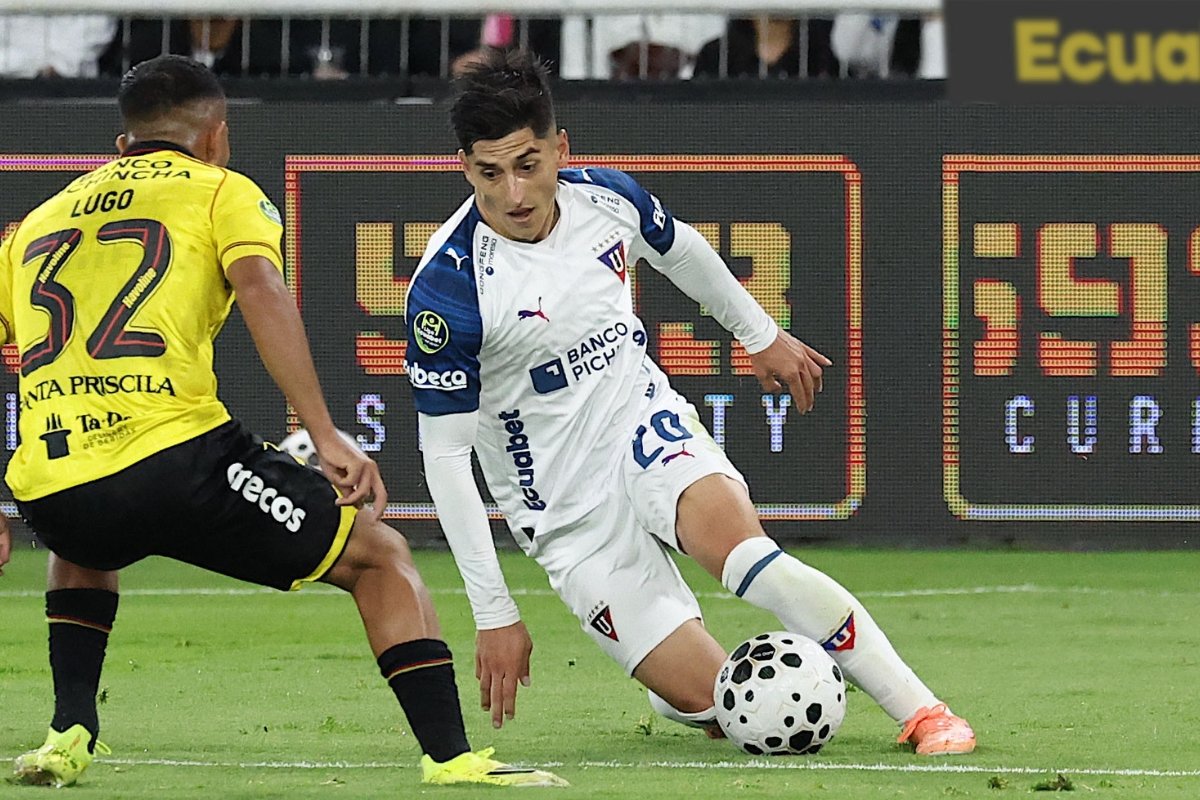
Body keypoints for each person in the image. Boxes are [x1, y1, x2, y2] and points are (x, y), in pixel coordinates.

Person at [0, 54, 566, 789]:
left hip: (51, 484)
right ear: (213, 137)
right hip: (178, 461)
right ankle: (454, 759)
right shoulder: (220, 191)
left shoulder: (37, 223)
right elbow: (261, 287)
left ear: (123, 143)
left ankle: (69, 730)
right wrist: (324, 433)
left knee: (84, 536)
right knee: (382, 558)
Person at [405, 47, 976, 756]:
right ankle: (683, 689)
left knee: (749, 561)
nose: (514, 194)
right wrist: (494, 612)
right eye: (490, 173)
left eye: (529, 165)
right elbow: (446, 459)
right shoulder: (449, 288)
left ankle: (921, 711)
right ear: (465, 167)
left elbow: (681, 252)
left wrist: (761, 334)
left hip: (640, 426)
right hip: (563, 513)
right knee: (734, 713)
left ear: (559, 148)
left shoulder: (606, 200)